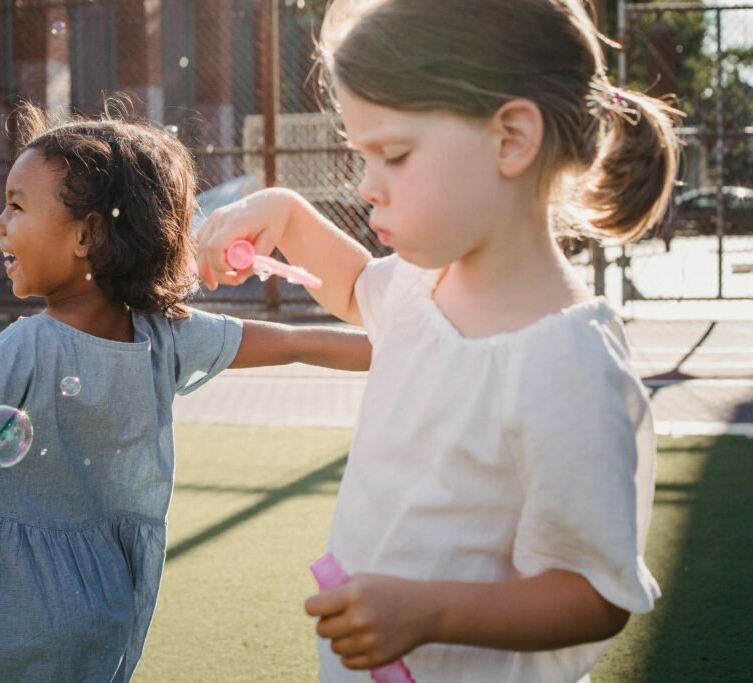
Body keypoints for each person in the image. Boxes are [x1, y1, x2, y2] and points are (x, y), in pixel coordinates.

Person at [195, 1, 680, 681]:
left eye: (393, 154)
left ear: (511, 139)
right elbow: (355, 282)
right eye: (361, 155)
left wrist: (429, 611)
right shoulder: (421, 283)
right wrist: (282, 211)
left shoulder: (565, 365)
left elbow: (595, 595)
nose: (367, 186)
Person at [0, 102, 370, 682]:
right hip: (107, 608)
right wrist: (406, 347)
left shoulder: (29, 346)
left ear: (88, 235)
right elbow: (298, 342)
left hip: (7, 612)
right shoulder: (164, 333)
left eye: (16, 206)